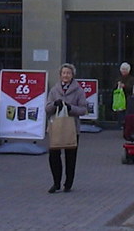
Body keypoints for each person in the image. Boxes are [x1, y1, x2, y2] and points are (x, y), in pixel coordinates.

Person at [45, 63, 88, 193]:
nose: (65, 75)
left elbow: (84, 109)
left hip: (72, 128)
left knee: (70, 157)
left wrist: (71, 108)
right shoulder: (54, 90)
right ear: (60, 75)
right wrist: (54, 105)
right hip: (56, 126)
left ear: (72, 75)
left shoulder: (79, 90)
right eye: (63, 73)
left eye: (68, 73)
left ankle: (68, 183)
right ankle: (56, 182)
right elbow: (47, 108)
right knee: (53, 155)